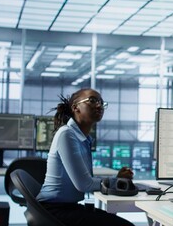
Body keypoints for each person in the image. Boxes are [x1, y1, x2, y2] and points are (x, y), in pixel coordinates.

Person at [36, 88, 134, 226]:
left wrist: (117, 180)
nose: (99, 105)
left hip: (67, 207)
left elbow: (86, 181)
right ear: (75, 107)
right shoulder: (67, 134)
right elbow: (84, 184)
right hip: (53, 210)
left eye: (101, 102)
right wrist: (117, 181)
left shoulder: (82, 138)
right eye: (92, 101)